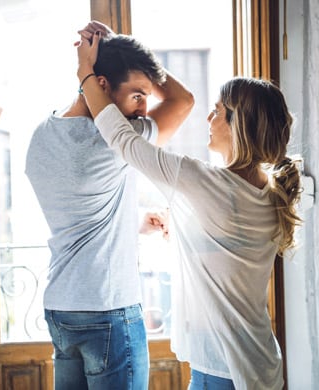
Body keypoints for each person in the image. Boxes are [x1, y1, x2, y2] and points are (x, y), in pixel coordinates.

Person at [77, 31, 302, 390]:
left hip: (223, 372)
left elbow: (121, 138)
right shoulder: (269, 192)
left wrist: (86, 74)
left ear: (237, 126)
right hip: (259, 365)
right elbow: (227, 251)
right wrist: (183, 226)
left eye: (217, 112)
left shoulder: (204, 182)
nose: (208, 119)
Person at [25, 21, 194, 390]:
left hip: (61, 307)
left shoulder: (42, 134)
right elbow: (182, 102)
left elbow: (77, 212)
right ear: (101, 85)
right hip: (109, 307)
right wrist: (124, 46)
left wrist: (133, 221)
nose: (144, 107)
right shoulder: (117, 139)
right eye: (138, 94)